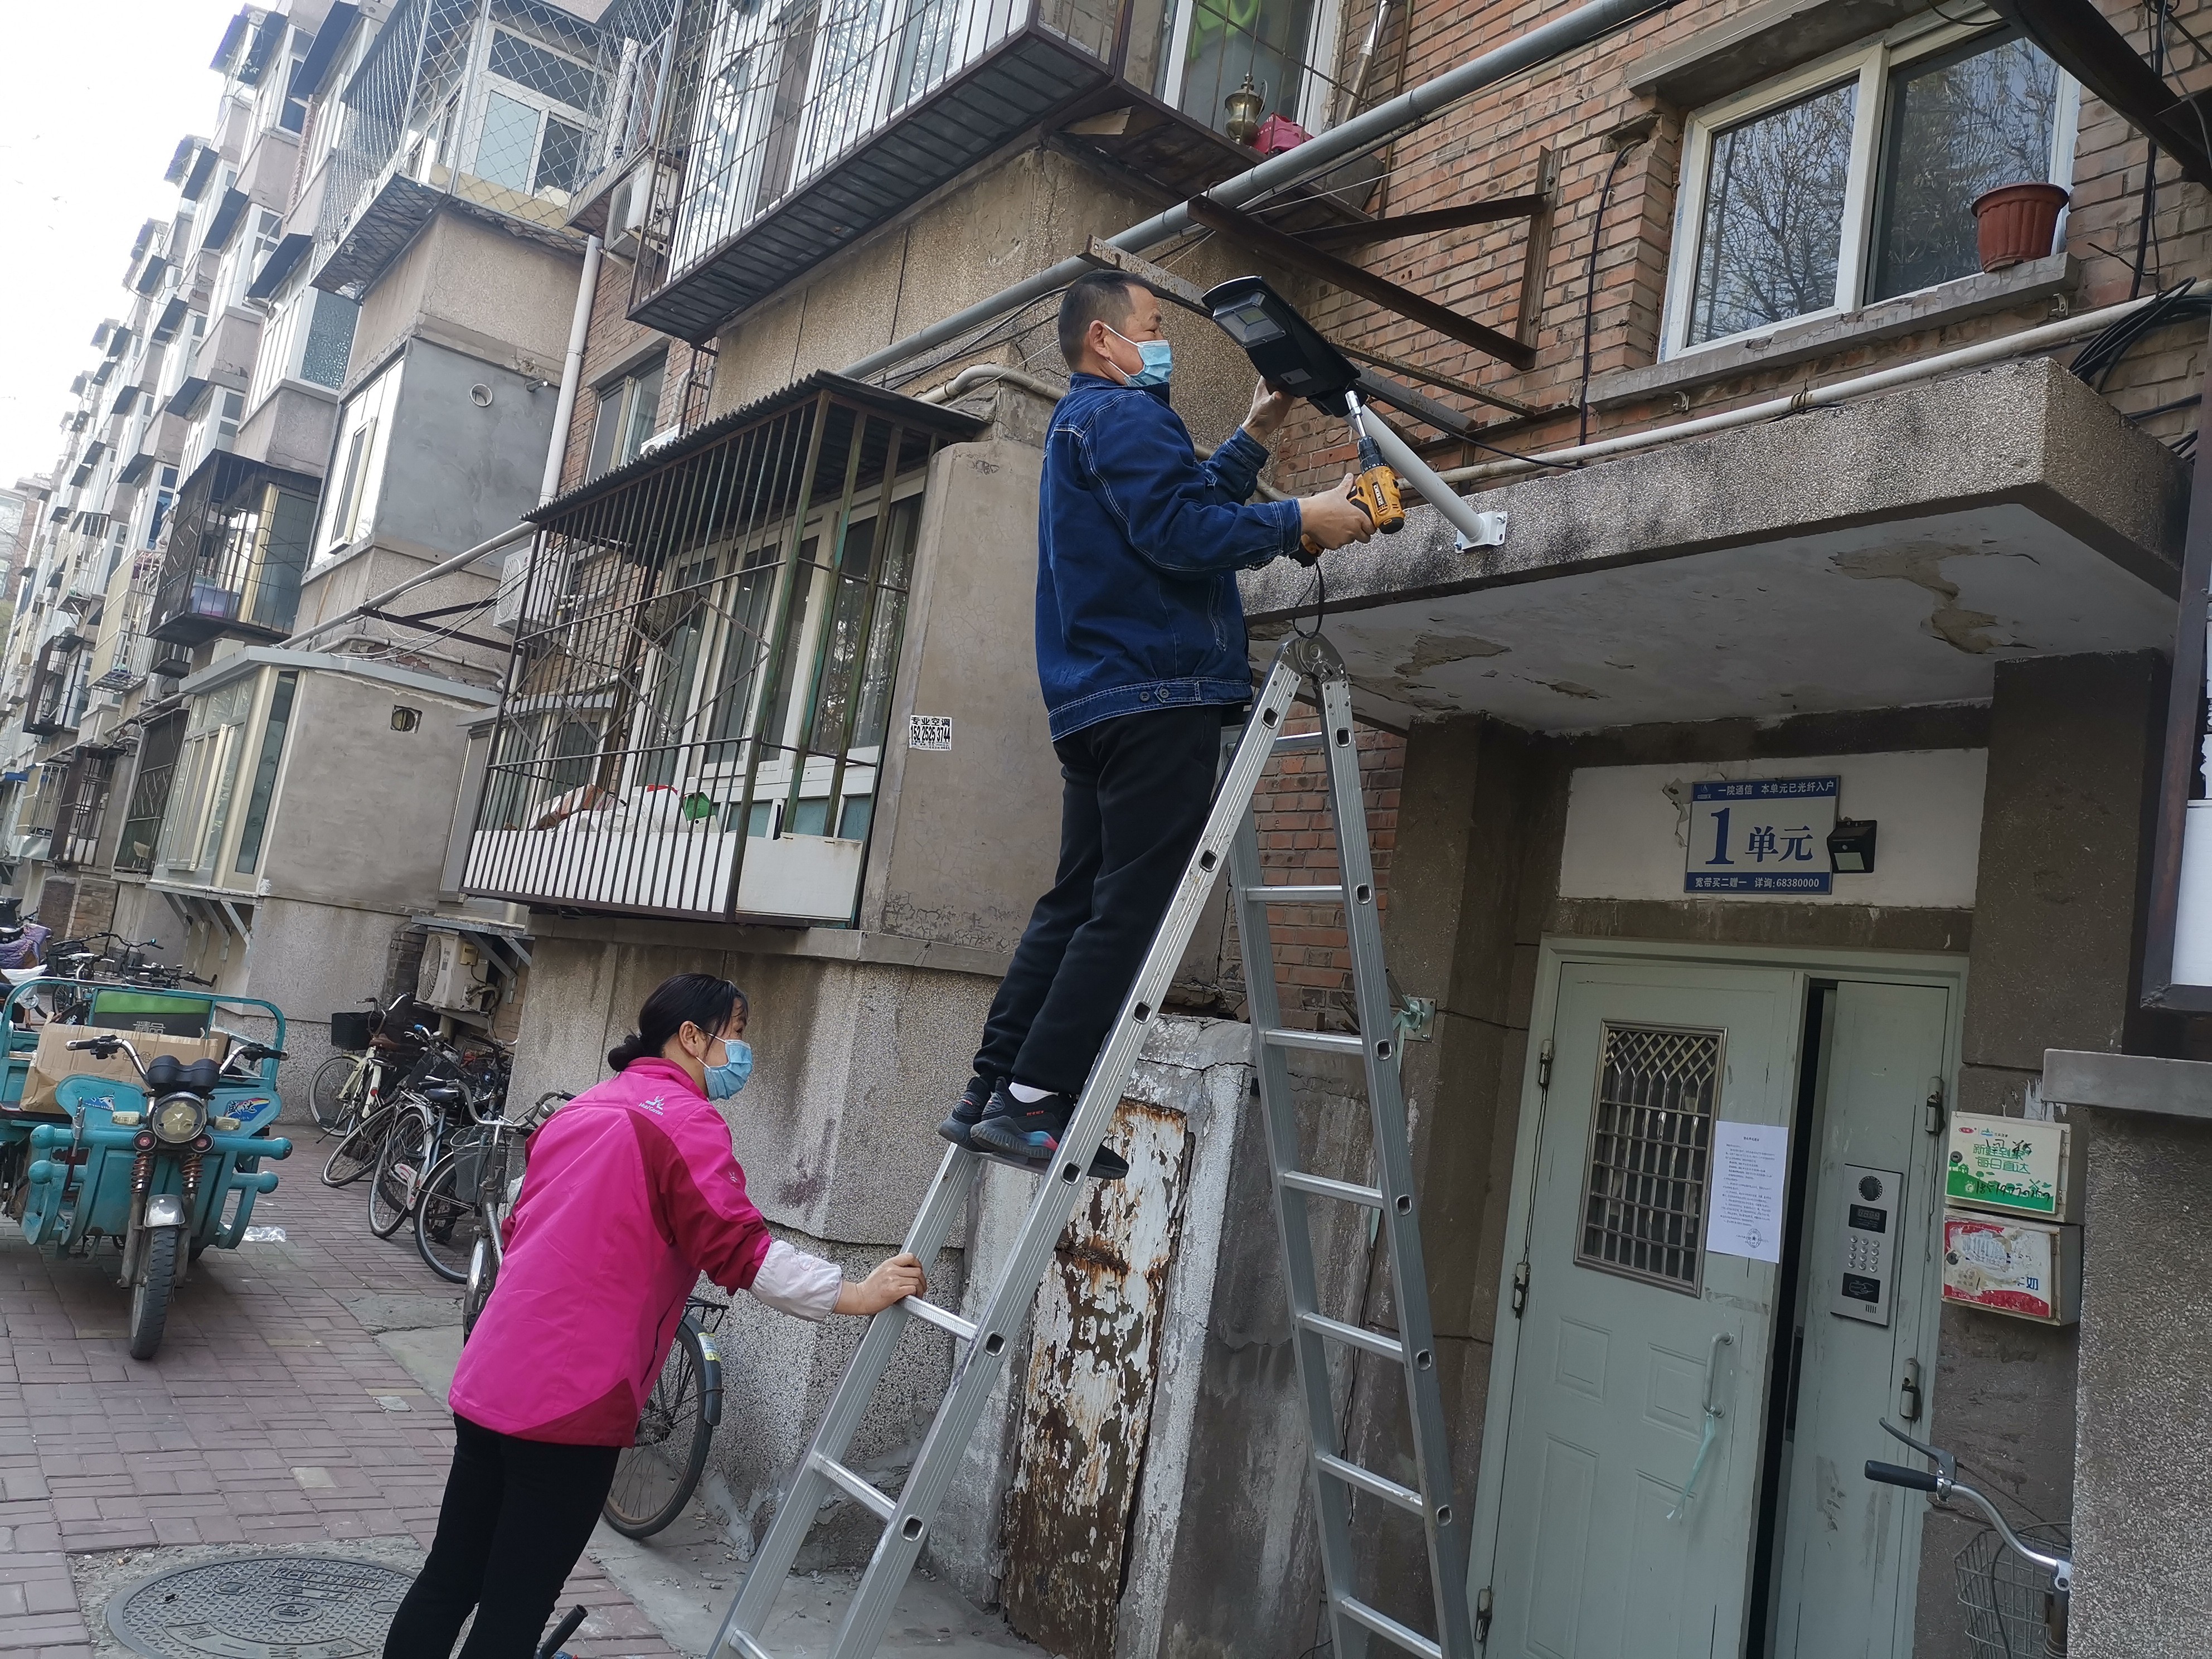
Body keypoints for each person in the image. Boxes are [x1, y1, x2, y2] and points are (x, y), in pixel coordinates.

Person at [939, 270, 1375, 1179]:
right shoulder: (1127, 415)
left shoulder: (1085, 423)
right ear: (1104, 340)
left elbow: (1180, 508)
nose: (1162, 339)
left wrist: (1255, 434)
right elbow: (1181, 535)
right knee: (1129, 907)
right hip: (1156, 692)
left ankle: (991, 1089)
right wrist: (1303, 519)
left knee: (1075, 900)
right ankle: (1036, 1100)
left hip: (1099, 700)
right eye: (1151, 324)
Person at [384, 972, 926, 1658]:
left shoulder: (582, 1108)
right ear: (691, 1037)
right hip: (571, 1399)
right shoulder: (685, 1122)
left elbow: (521, 1227)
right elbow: (740, 1249)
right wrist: (856, 1293)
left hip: (491, 1375)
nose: (742, 1052)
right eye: (737, 1034)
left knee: (449, 1578)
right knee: (514, 1606)